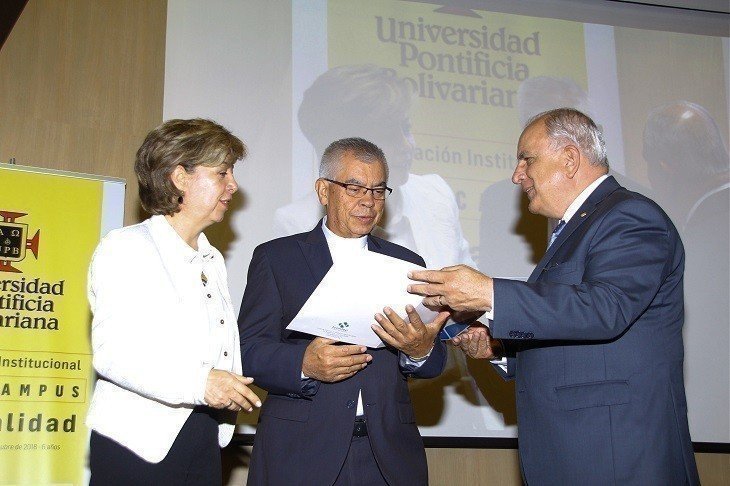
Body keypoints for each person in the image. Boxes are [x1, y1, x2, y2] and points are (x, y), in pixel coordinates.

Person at [408, 108, 700, 484]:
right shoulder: (576, 229)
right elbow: (572, 330)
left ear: (569, 159)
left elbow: (604, 308)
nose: (517, 176)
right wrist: (499, 348)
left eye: (526, 160)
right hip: (577, 454)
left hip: (617, 455)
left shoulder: (630, 217)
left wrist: (488, 291)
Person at [238, 137, 449, 485]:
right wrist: (303, 364)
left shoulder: (408, 265)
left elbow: (437, 358)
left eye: (378, 190)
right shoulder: (277, 259)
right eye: (354, 188)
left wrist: (420, 350)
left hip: (388, 456)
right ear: (324, 191)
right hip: (300, 452)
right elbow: (248, 351)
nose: (368, 201)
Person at [86, 119, 261, 485]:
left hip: (203, 438)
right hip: (138, 445)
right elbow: (113, 353)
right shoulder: (127, 248)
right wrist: (203, 383)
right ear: (180, 176)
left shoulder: (211, 260)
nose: (233, 185)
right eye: (222, 172)